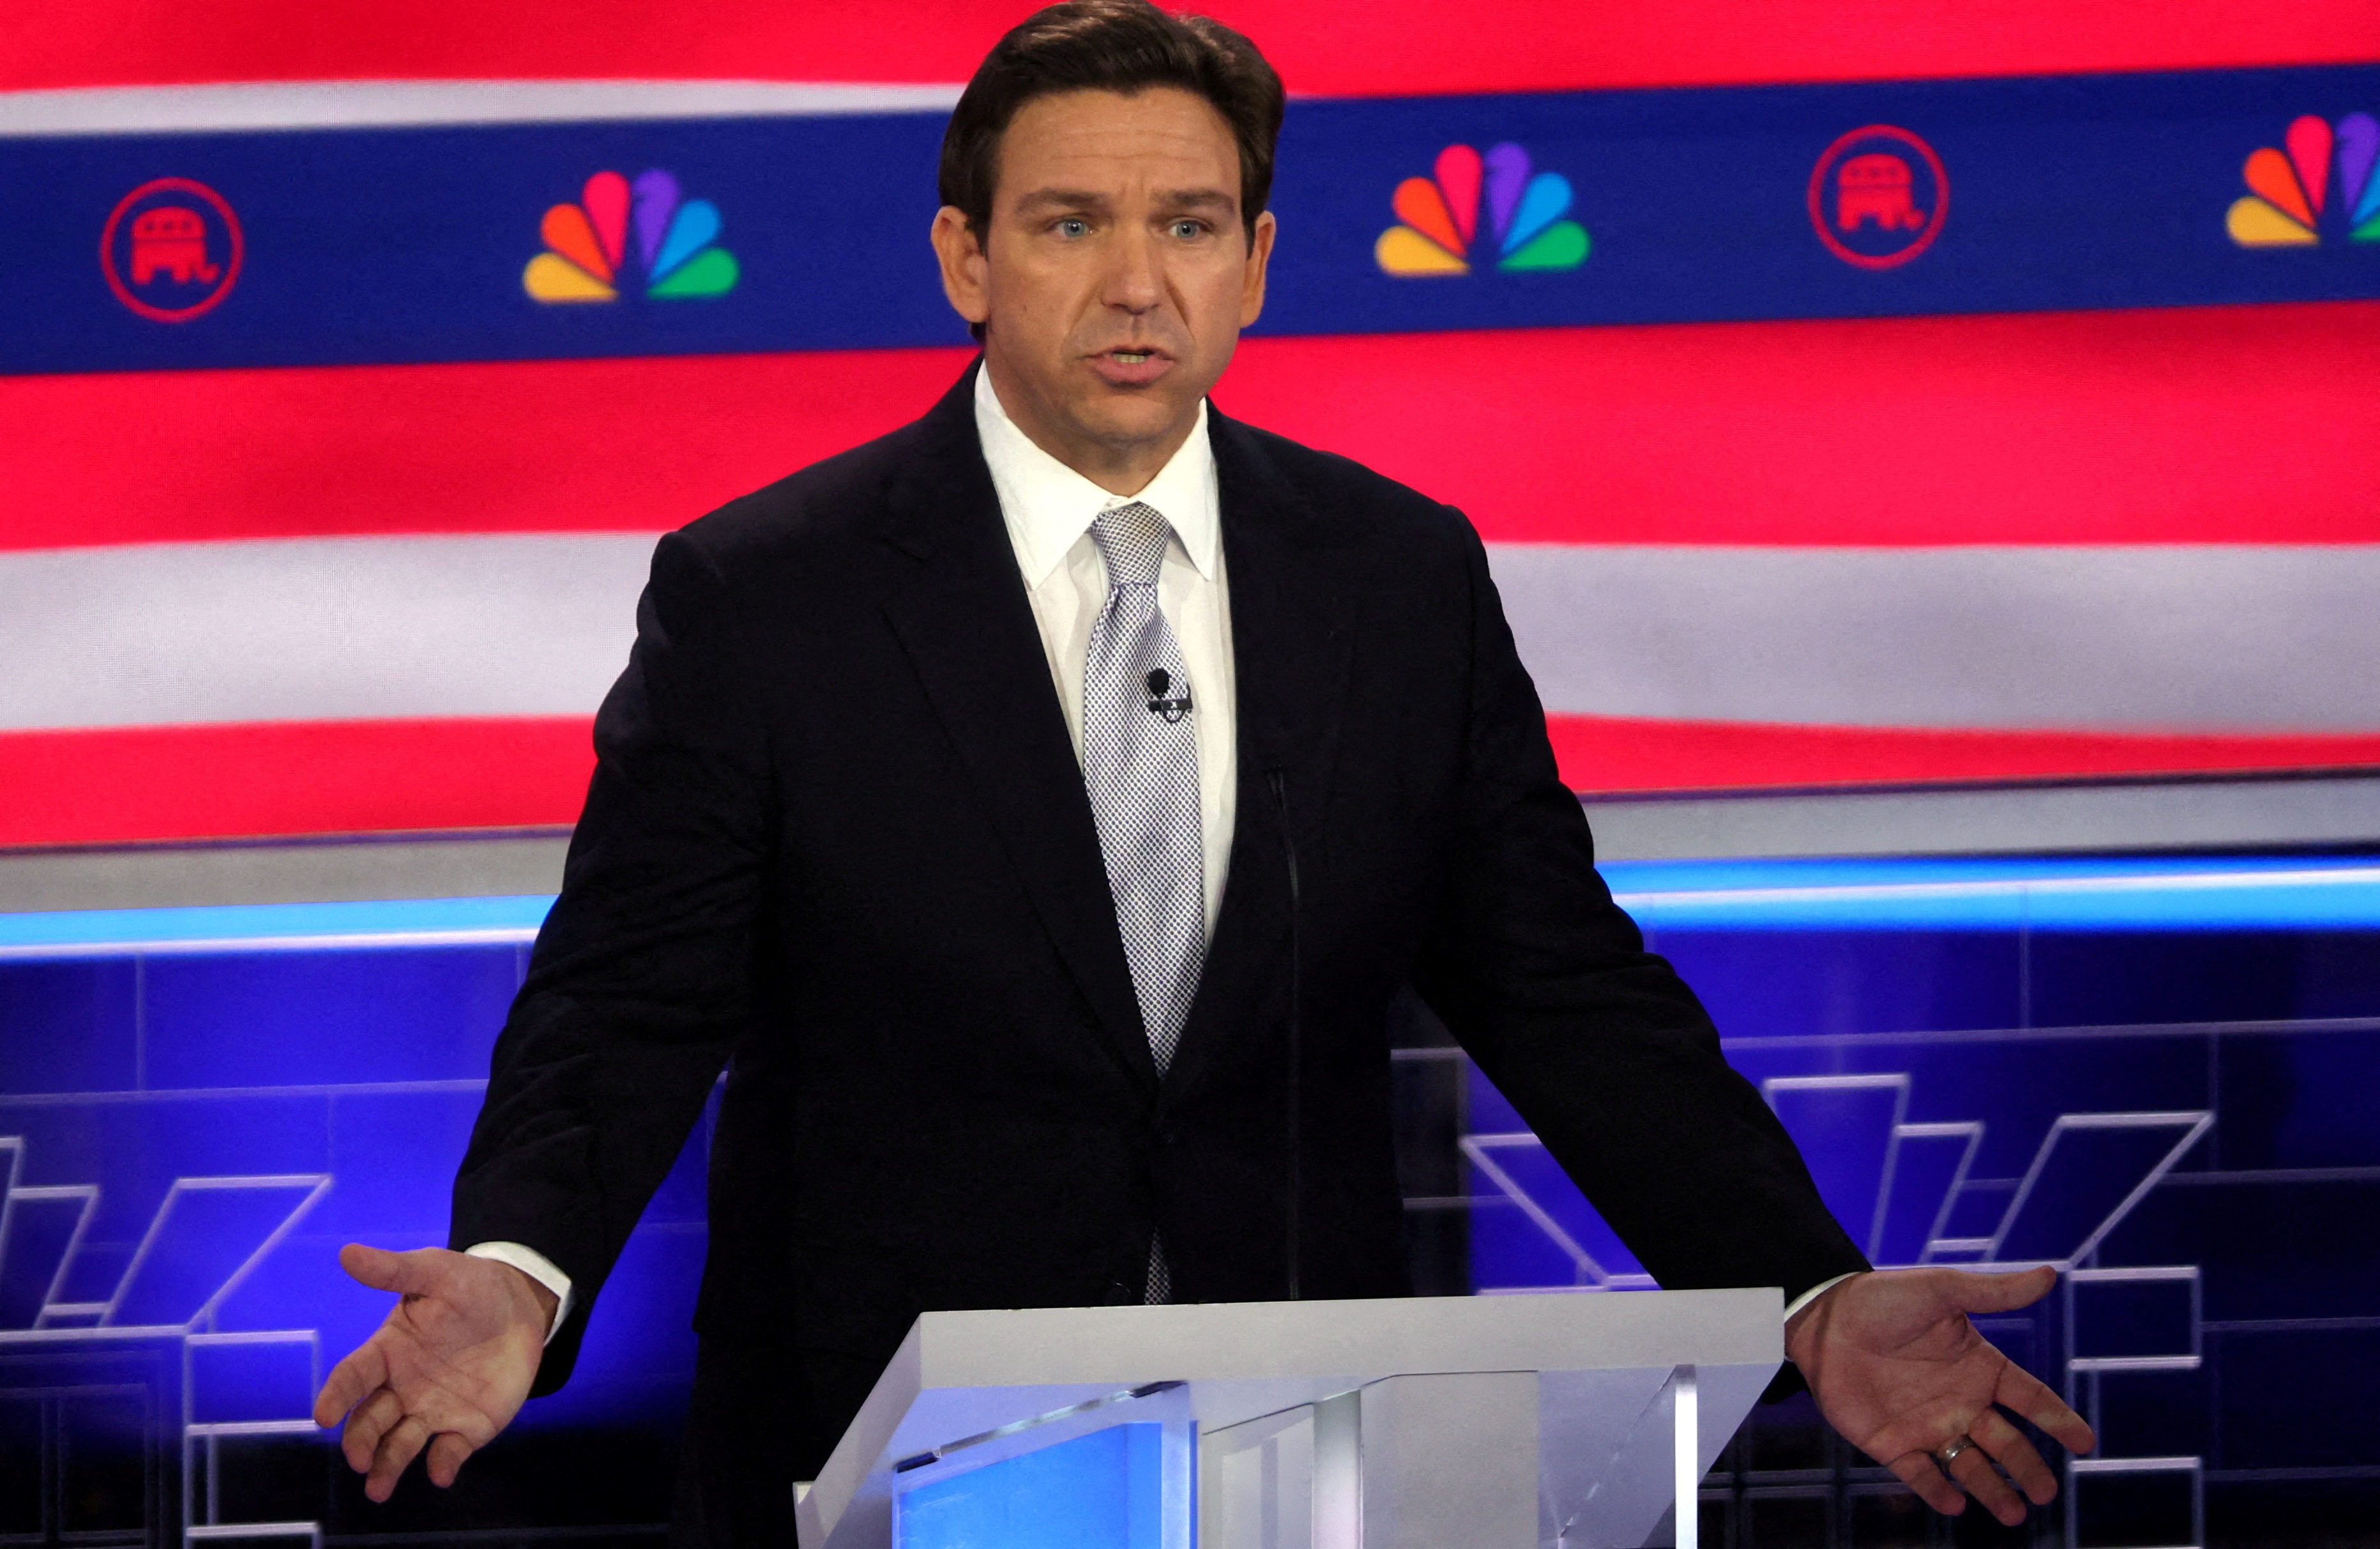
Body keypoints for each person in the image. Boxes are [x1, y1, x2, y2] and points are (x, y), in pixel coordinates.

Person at [312, 2, 2095, 1541]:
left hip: (1303, 1450)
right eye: (1072, 222)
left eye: (1189, 222)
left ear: (1253, 258)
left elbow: (1565, 988)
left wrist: (1807, 1281)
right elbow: (626, 998)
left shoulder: (1396, 578)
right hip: (881, 1458)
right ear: (965, 258)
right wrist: (525, 1272)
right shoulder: (768, 594)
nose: (1136, 282)